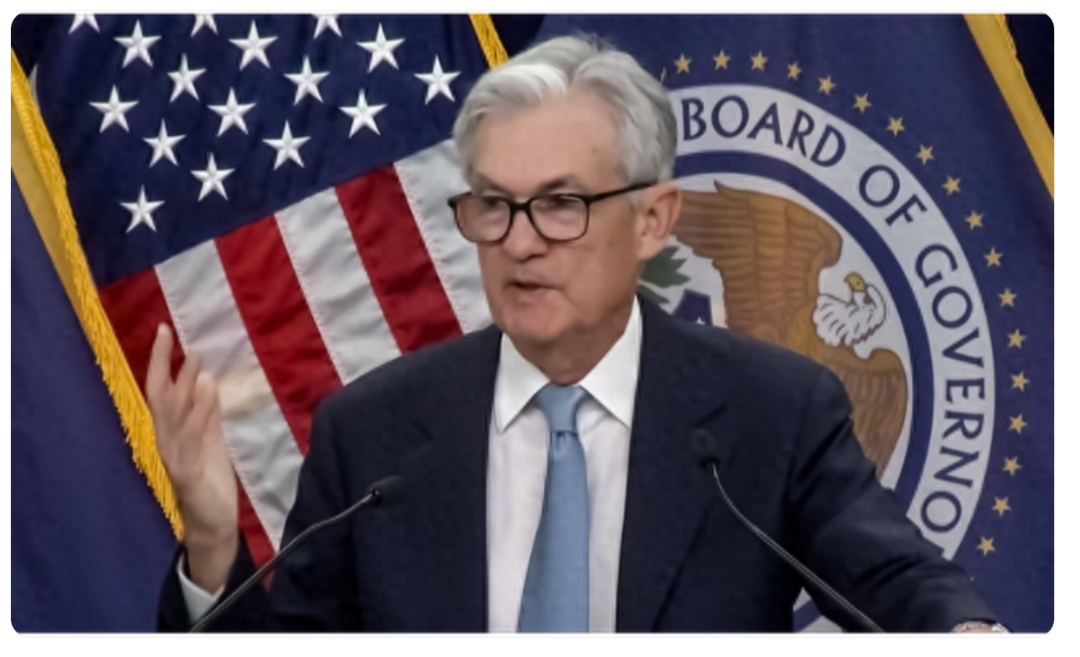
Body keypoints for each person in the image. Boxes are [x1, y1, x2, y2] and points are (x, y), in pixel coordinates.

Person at [154, 34, 1003, 632]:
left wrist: (966, 633)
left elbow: (897, 580)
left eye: (561, 204)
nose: (520, 242)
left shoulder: (769, 411)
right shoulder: (372, 433)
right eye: (494, 204)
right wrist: (214, 547)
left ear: (653, 219)